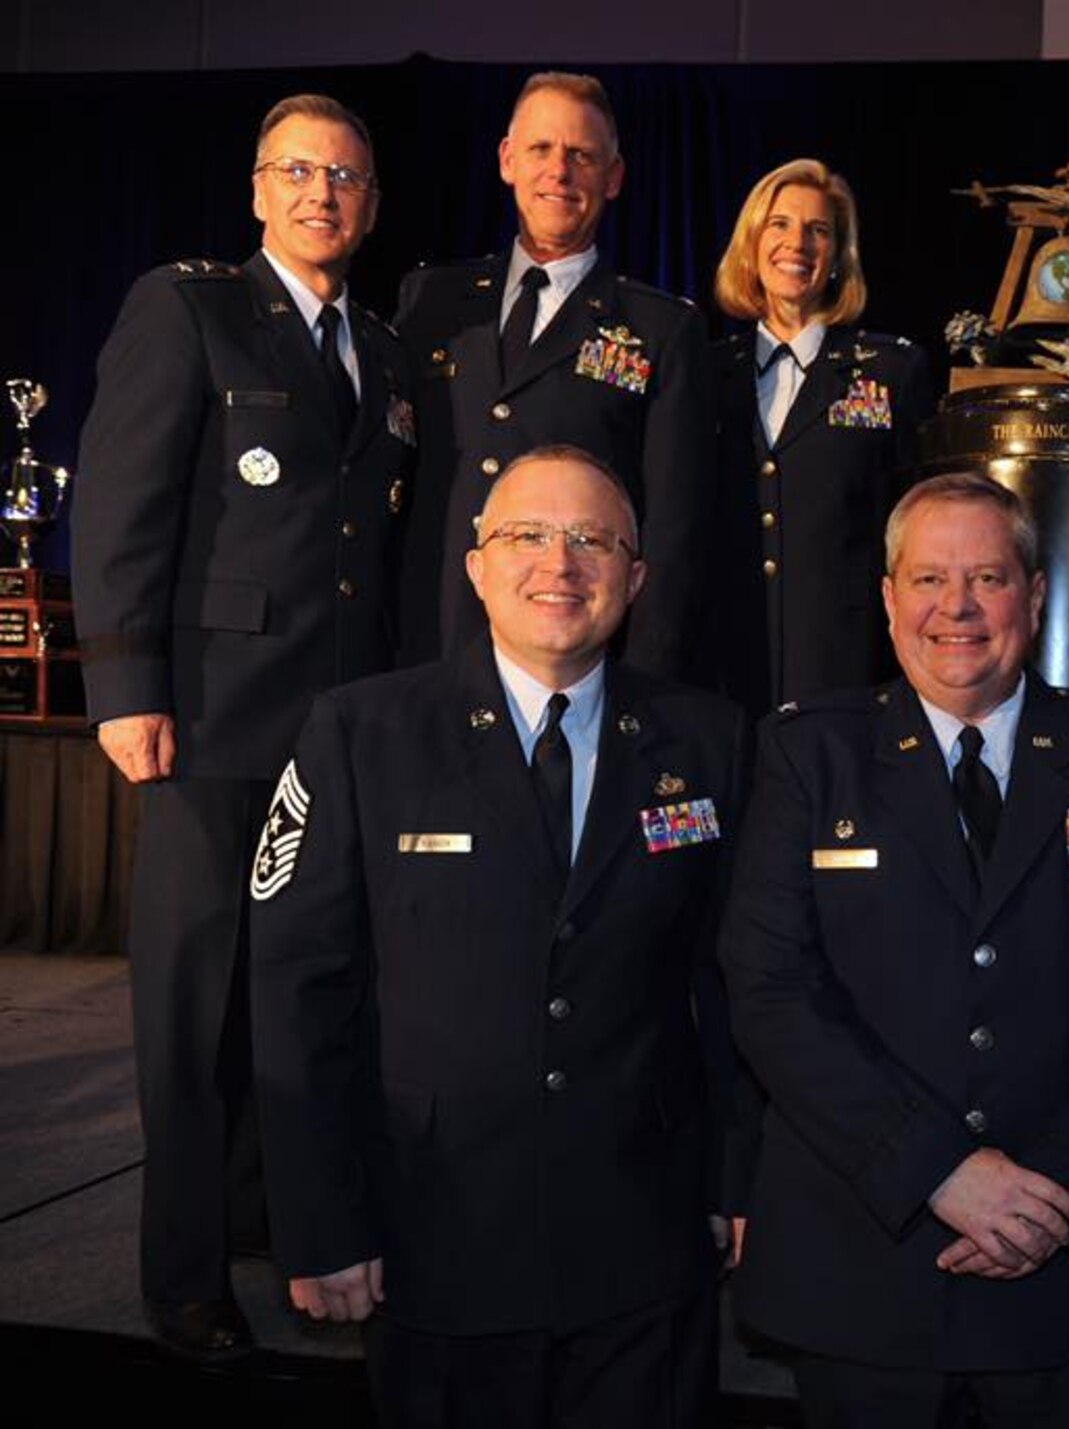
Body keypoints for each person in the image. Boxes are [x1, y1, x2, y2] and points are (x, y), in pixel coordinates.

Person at [251, 447, 748, 1428]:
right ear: (475, 564)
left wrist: (739, 1177)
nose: (557, 564)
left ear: (634, 577)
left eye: (591, 540)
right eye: (525, 535)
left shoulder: (711, 742)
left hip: (641, 1241)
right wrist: (318, 1218)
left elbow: (733, 982)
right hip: (434, 1240)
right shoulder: (361, 732)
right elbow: (298, 991)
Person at [719, 472, 1069, 1429]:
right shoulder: (808, 754)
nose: (957, 607)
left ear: (1033, 595)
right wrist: (940, 1169)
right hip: (868, 1264)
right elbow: (771, 988)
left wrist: (1055, 1188)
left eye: (987, 577)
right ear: (889, 598)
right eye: (929, 578)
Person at [71, 92, 413, 1360]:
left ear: (372, 205)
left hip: (337, 735)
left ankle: (269, 1218)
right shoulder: (190, 306)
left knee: (307, 991)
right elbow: (121, 503)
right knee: (192, 1011)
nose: (325, 192)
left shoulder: (377, 346)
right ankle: (183, 1271)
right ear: (259, 189)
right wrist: (125, 687)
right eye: (301, 171)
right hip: (210, 721)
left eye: (348, 177)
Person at [395, 70, 711, 680]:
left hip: (574, 658)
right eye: (540, 149)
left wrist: (646, 677)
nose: (559, 172)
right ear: (508, 160)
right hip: (428, 640)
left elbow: (673, 527)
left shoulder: (660, 328)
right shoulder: (430, 302)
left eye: (581, 156)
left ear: (613, 178)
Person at [706, 157, 935, 712]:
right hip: (721, 668)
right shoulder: (703, 372)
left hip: (845, 671)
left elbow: (918, 527)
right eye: (780, 224)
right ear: (751, 244)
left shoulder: (891, 372)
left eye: (819, 230)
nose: (798, 243)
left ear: (838, 256)